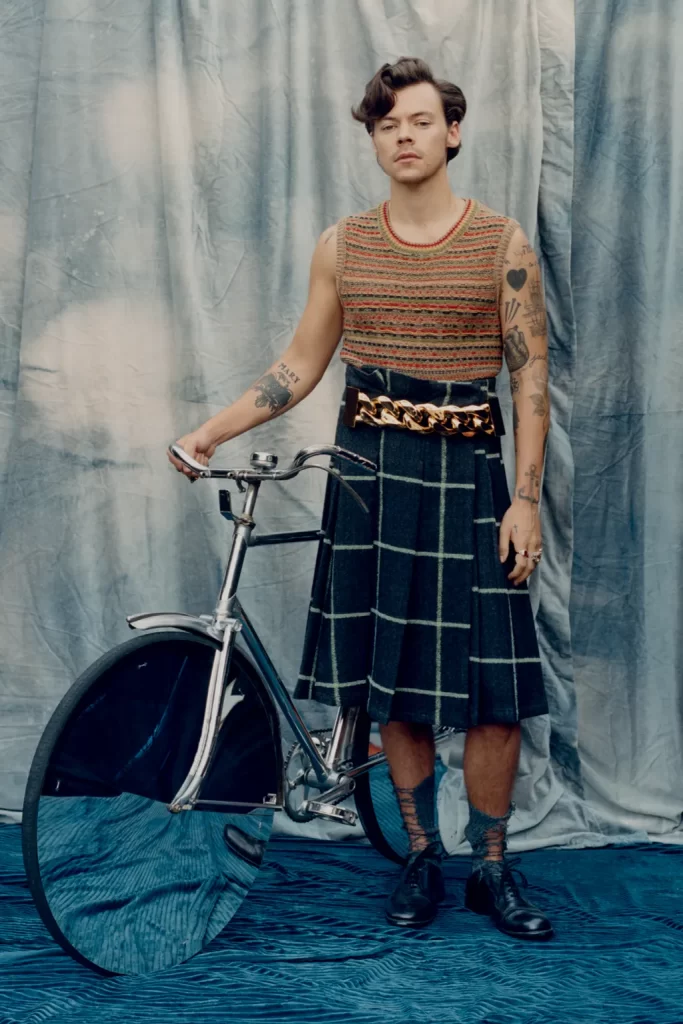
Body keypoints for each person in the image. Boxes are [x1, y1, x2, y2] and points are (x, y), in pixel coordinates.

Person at [169, 57, 553, 941]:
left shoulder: (501, 245)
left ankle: (491, 868)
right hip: (371, 475)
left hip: (470, 475)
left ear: (451, 132)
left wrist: (525, 500)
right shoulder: (342, 245)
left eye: (419, 121)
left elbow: (530, 378)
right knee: (395, 687)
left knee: (493, 692)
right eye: (387, 126)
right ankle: (420, 855)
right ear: (374, 141)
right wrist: (211, 431)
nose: (403, 137)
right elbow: (299, 365)